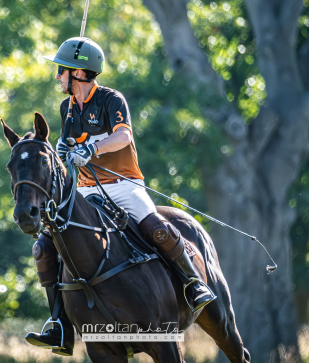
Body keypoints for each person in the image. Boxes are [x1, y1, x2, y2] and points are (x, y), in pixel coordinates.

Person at [25, 37, 215, 353]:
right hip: (86, 191)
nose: (57, 76)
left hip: (124, 184)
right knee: (45, 245)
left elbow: (123, 136)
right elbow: (68, 147)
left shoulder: (112, 100)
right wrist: (62, 151)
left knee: (157, 227)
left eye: (61, 70)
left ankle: (194, 284)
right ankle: (59, 325)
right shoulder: (66, 108)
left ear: (79, 73)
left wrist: (92, 147)